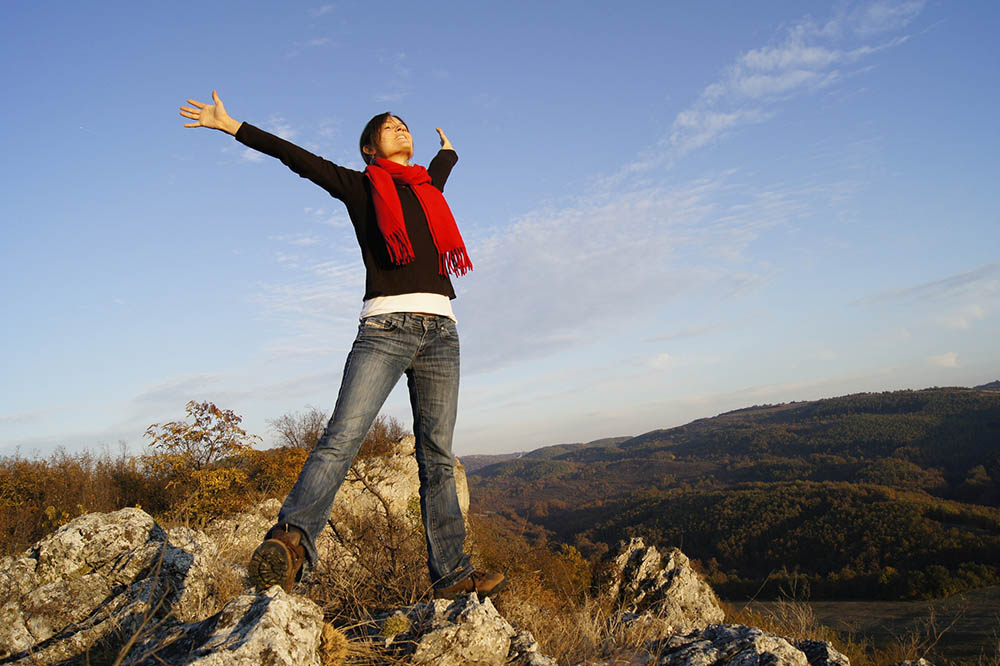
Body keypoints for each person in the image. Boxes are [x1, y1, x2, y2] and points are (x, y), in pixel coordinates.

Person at [178, 91, 503, 599]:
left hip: (443, 332)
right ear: (370, 149)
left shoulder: (426, 187)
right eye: (387, 125)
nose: (399, 126)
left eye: (403, 123)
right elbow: (297, 158)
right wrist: (233, 125)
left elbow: (440, 171)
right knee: (342, 437)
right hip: (385, 329)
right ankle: (290, 543)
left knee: (437, 456)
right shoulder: (360, 187)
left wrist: (449, 153)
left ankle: (453, 575)